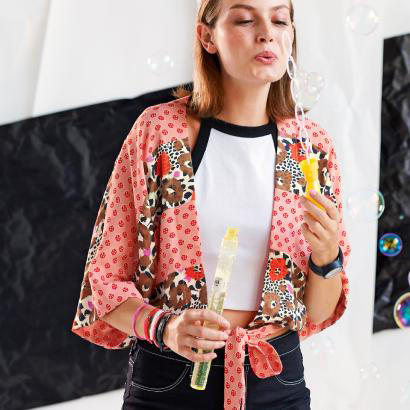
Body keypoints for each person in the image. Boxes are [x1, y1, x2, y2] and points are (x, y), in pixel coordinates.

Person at [71, 0, 351, 409]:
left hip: (276, 383)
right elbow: (104, 283)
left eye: (280, 20)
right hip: (170, 383)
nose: (267, 33)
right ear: (207, 37)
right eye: (244, 19)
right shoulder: (160, 133)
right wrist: (165, 327)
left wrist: (326, 257)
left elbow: (318, 311)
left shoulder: (312, 148)